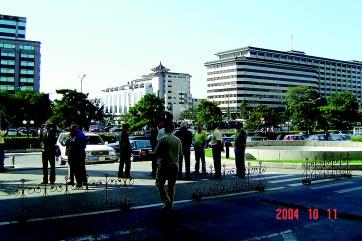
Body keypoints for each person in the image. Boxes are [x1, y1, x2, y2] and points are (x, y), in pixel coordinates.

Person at [154, 121, 182, 210]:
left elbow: (156, 152)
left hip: (164, 163)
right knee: (171, 185)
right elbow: (181, 154)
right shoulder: (178, 140)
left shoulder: (162, 139)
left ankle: (166, 201)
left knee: (159, 183)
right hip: (175, 163)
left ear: (165, 129)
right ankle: (170, 204)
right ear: (173, 129)